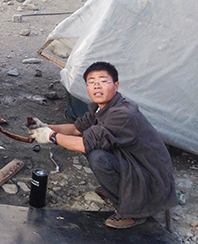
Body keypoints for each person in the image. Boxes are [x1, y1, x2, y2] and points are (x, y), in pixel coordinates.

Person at [27, 61, 177, 229]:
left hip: (152, 180)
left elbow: (83, 144)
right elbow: (76, 129)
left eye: (103, 81)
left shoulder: (123, 114)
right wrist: (44, 127)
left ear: (116, 85)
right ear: (87, 88)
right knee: (94, 147)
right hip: (134, 164)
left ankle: (133, 212)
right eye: (91, 82)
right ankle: (120, 189)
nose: (97, 86)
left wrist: (50, 136)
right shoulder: (101, 108)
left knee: (98, 157)